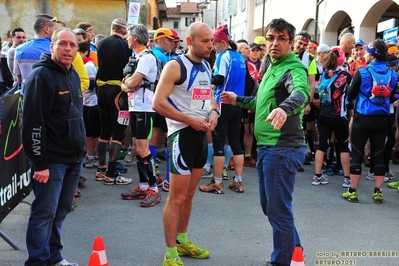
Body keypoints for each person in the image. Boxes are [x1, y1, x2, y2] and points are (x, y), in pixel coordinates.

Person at [221, 18, 309, 266]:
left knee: (278, 210)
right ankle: (296, 255)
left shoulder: (293, 67)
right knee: (272, 208)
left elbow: (301, 94)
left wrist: (284, 109)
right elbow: (260, 102)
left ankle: (281, 261)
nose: (274, 43)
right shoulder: (272, 66)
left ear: (291, 43)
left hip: (282, 149)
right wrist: (237, 99)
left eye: (281, 38)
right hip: (268, 149)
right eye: (271, 38)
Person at [152, 21, 216, 266]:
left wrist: (213, 113)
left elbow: (208, 96)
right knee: (176, 197)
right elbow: (158, 103)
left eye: (211, 40)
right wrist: (189, 120)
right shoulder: (175, 65)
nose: (210, 45)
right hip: (180, 136)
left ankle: (182, 241)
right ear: (190, 42)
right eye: (205, 41)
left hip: (200, 136)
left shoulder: (207, 65)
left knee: (189, 195)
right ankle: (170, 254)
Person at [22, 28, 84, 266]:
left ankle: (53, 257)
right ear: (52, 46)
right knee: (44, 214)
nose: (68, 49)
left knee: (61, 211)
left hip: (73, 158)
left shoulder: (73, 74)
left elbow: (76, 116)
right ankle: (36, 262)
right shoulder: (41, 77)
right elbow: (32, 123)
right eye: (62, 44)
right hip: (51, 162)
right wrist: (40, 163)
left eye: (72, 45)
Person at [343, 39, 398, 204]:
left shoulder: (362, 72)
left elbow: (350, 94)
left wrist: (349, 107)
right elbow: (394, 95)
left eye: (367, 51)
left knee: (358, 153)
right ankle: (378, 192)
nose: (365, 53)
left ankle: (352, 191)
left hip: (362, 117)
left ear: (372, 54)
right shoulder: (393, 74)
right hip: (383, 118)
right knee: (379, 153)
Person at [199, 24, 246, 194]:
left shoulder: (222, 56)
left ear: (223, 43)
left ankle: (217, 183)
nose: (213, 47)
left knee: (219, 143)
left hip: (223, 103)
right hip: (237, 103)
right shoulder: (240, 57)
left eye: (215, 43)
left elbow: (219, 78)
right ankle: (238, 182)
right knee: (236, 142)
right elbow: (247, 81)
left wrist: (205, 80)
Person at [119, 24, 161, 207]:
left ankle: (154, 187)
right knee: (137, 147)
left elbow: (133, 82)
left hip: (145, 108)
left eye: (128, 36)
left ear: (135, 38)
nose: (127, 39)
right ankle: (143, 185)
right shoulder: (136, 57)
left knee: (143, 149)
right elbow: (126, 84)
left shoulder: (146, 58)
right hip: (135, 106)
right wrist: (128, 84)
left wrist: (128, 83)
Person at [95, 18, 132, 185]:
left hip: (101, 89)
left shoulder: (100, 43)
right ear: (123, 30)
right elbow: (128, 67)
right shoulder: (123, 44)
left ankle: (101, 168)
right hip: (117, 90)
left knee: (104, 130)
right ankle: (111, 172)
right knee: (118, 132)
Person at [312, 47, 351, 187]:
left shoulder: (324, 75)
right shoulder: (346, 75)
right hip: (339, 115)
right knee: (343, 146)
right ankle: (347, 178)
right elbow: (351, 94)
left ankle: (317, 176)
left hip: (323, 114)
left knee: (322, 144)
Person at [14, 14, 60, 95]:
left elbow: (18, 77)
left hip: (27, 94)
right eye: (56, 29)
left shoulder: (19, 49)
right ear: (46, 29)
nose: (57, 32)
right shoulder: (55, 48)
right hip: (51, 95)